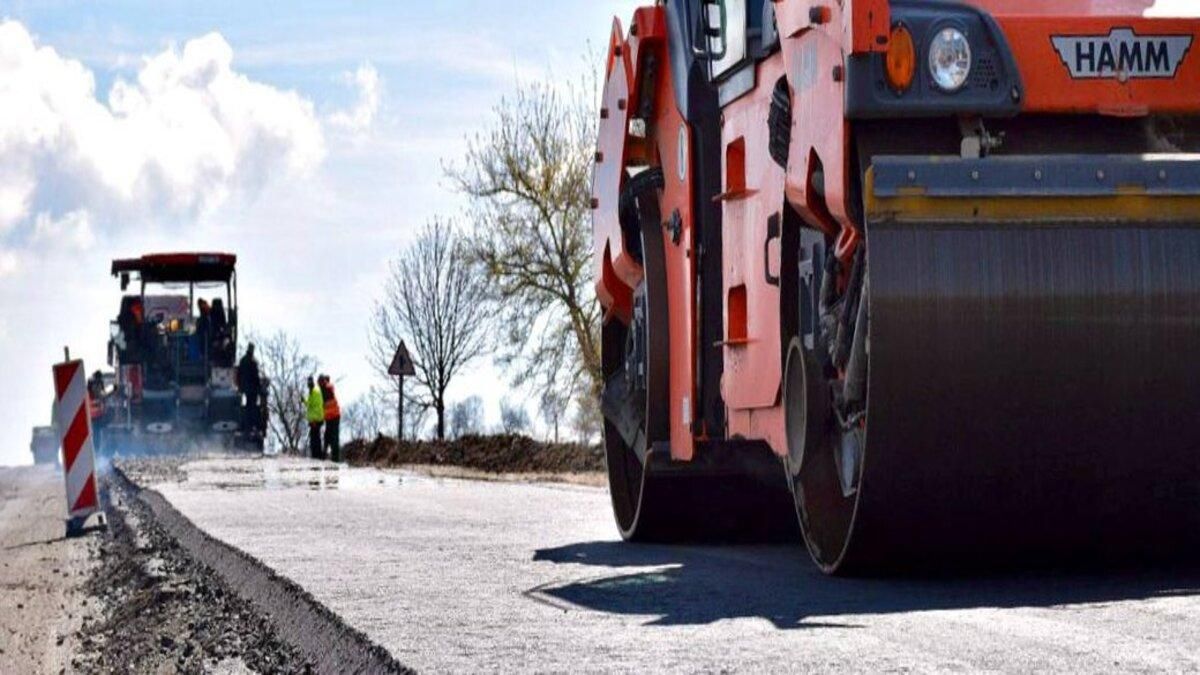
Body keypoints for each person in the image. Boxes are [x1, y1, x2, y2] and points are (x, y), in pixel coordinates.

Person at [237, 343, 261, 434]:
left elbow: (239, 374)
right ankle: (250, 426)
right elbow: (255, 376)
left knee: (247, 405)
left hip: (244, 387)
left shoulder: (243, 360)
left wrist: (239, 385)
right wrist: (258, 387)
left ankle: (246, 425)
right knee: (252, 407)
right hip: (252, 388)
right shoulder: (252, 361)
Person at [319, 375, 342, 462]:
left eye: (321, 382)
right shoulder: (322, 390)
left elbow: (329, 388)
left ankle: (335, 458)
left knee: (334, 438)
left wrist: (326, 382)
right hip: (328, 418)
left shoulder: (328, 388)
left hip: (335, 417)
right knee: (327, 437)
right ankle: (325, 455)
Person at [305, 376, 325, 459]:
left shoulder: (315, 392)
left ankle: (317, 456)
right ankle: (316, 455)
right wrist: (304, 401)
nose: (309, 384)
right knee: (314, 437)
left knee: (315, 438)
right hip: (314, 419)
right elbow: (309, 404)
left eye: (310, 383)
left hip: (316, 419)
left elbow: (316, 406)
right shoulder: (311, 392)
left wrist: (314, 420)